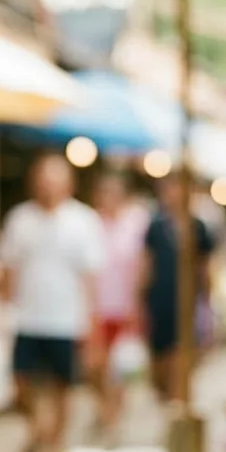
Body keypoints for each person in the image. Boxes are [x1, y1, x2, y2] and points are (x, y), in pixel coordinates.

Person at [0, 154, 105, 452]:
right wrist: (3, 309)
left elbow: (90, 277)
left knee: (62, 388)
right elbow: (9, 268)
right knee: (21, 386)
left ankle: (54, 444)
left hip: (66, 320)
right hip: (27, 317)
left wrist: (91, 324)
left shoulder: (83, 221)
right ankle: (38, 429)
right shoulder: (20, 219)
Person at [137, 174, 214, 404]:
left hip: (188, 303)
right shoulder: (156, 226)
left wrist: (207, 306)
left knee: (181, 357)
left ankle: (179, 402)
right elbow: (146, 265)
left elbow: (205, 268)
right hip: (159, 301)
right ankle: (168, 398)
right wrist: (138, 301)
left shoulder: (198, 227)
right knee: (159, 361)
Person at [87, 172, 149, 435]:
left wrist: (137, 301)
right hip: (97, 306)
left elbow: (141, 264)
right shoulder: (92, 223)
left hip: (124, 306)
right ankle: (105, 406)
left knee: (119, 366)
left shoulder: (136, 222)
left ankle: (114, 412)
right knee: (95, 366)